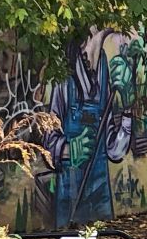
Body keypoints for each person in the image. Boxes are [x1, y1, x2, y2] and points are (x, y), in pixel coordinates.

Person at [44, 30, 136, 228]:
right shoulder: (64, 71)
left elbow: (114, 150)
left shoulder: (104, 68)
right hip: (70, 195)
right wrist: (69, 149)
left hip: (100, 199)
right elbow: (48, 142)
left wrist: (128, 108)